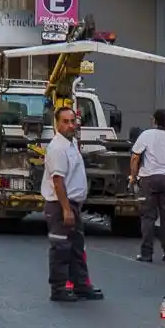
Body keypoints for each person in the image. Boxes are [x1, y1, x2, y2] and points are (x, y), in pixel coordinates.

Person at [42, 106, 104, 303]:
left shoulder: (71, 144)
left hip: (73, 205)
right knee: (61, 248)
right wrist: (67, 209)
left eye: (72, 121)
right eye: (65, 122)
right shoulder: (57, 148)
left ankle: (80, 286)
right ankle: (58, 288)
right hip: (60, 206)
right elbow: (58, 182)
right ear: (57, 124)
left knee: (77, 247)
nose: (70, 125)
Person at [129, 108, 165, 263]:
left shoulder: (146, 135)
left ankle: (146, 253)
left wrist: (133, 178)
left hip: (149, 179)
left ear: (154, 120)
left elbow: (135, 157)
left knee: (148, 217)